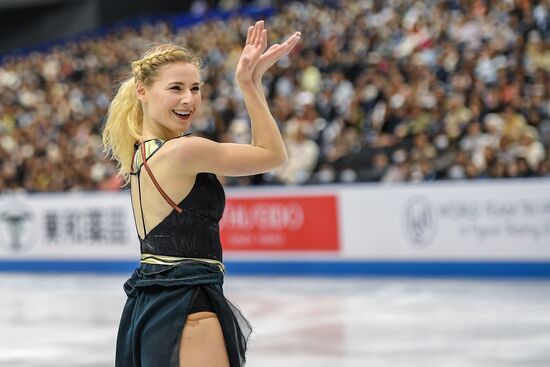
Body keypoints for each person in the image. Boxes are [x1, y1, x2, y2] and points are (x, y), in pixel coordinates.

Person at [102, 20, 301, 366]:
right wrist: (249, 83)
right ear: (142, 91)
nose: (188, 99)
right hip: (189, 307)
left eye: (195, 88)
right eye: (176, 88)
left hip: (149, 307)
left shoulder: (138, 155)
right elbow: (273, 155)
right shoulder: (183, 151)